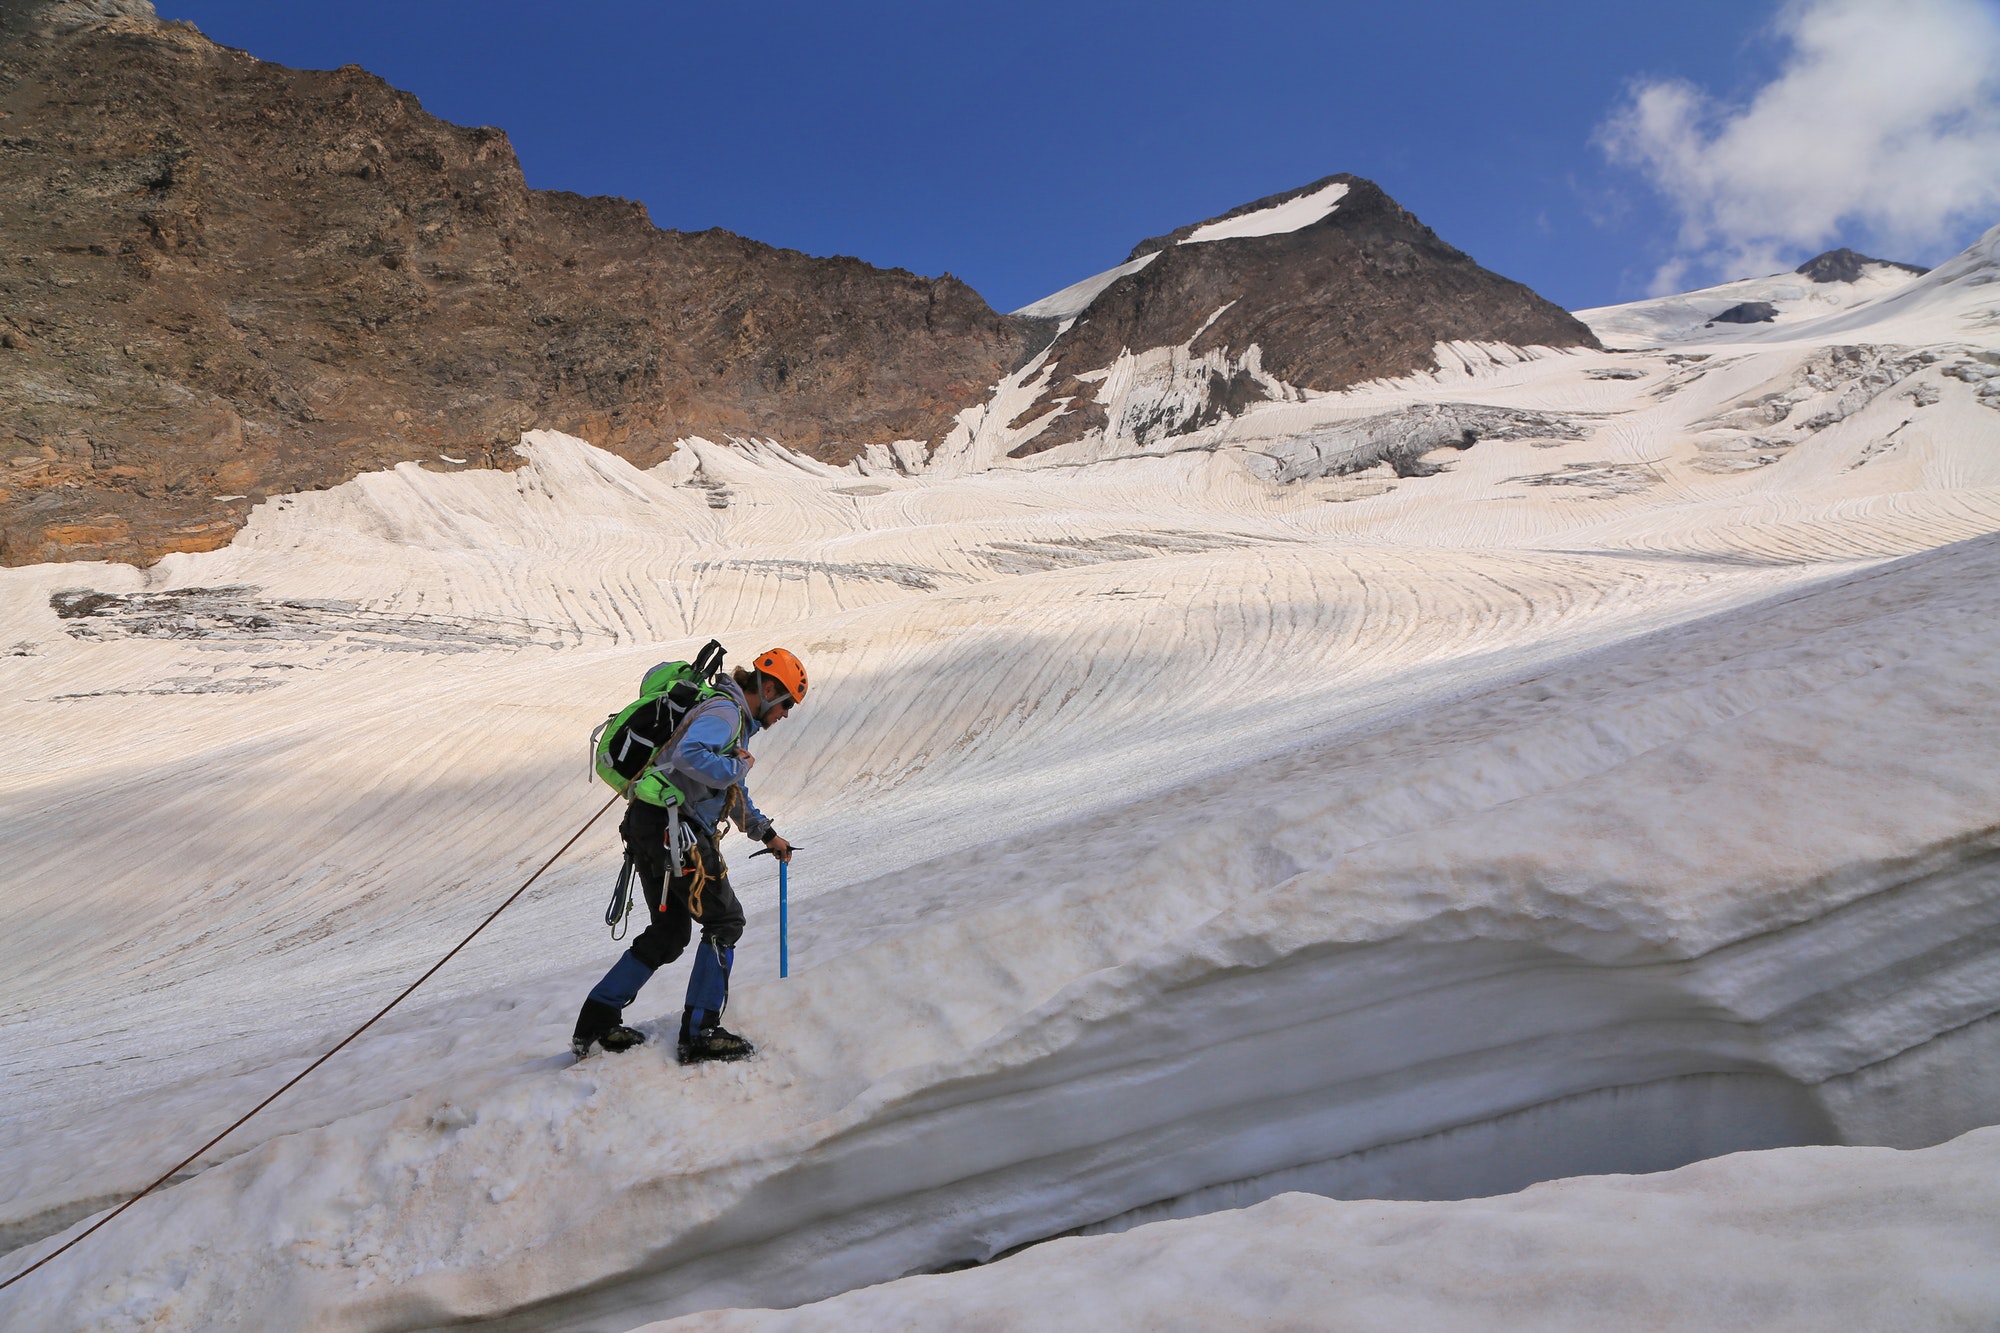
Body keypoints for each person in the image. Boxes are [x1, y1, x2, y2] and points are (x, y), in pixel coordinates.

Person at [571, 647, 805, 1064]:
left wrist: (765, 833)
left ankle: (596, 1024)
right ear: (769, 689)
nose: (785, 714)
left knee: (670, 933)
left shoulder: (727, 715)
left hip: (649, 824)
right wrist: (738, 767)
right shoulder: (727, 713)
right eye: (786, 704)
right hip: (674, 829)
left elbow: (729, 791)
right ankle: (700, 1033)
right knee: (725, 920)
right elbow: (690, 755)